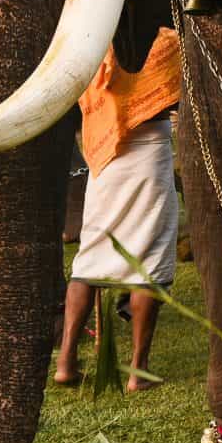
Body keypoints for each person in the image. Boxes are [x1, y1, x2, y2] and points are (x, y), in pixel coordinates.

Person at [54, 28, 180, 393]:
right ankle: (138, 372)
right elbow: (175, 100)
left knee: (90, 256)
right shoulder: (163, 41)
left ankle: (66, 363)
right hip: (149, 151)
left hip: (103, 154)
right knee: (150, 255)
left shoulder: (94, 42)